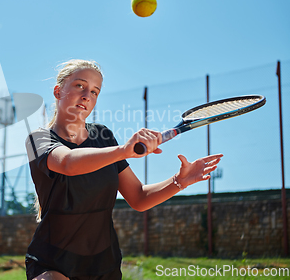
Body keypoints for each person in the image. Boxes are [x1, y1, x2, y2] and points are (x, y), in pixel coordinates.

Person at [24, 59, 223, 280]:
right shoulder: (38, 139)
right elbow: (67, 163)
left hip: (104, 265)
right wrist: (123, 150)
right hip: (52, 262)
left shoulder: (104, 136)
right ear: (58, 91)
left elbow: (138, 198)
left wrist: (179, 181)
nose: (86, 95)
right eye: (79, 85)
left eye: (94, 91)